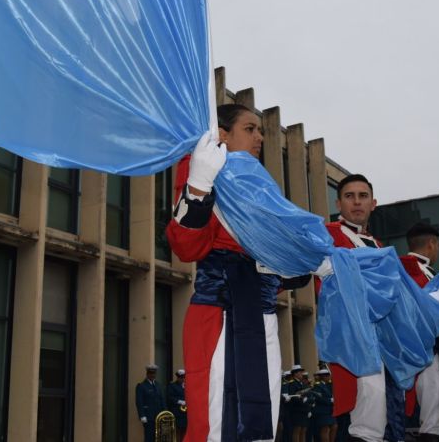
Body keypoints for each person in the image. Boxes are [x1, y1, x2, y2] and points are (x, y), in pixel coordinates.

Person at [166, 103, 310, 441]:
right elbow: (187, 247)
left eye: (260, 129)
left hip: (262, 314)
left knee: (262, 422)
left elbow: (278, 262)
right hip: (219, 309)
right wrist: (199, 186)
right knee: (215, 424)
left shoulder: (262, 184)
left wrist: (302, 262)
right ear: (223, 134)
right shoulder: (200, 169)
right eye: (250, 128)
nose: (260, 136)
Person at [323, 173, 405, 442]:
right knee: (363, 415)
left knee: (384, 414)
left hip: (384, 339)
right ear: (338, 204)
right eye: (349, 196)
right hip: (350, 336)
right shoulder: (327, 234)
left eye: (362, 196)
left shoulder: (378, 244)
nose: (356, 202)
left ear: (373, 203)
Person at [399, 222, 439, 442]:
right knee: (433, 423)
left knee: (437, 422)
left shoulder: (425, 272)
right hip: (427, 356)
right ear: (432, 244)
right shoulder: (409, 268)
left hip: (438, 354)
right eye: (438, 245)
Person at [136, 364, 166, 442]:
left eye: (154, 373)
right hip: (148, 416)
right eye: (151, 373)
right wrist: (142, 415)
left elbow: (162, 400)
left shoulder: (158, 385)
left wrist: (165, 412)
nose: (153, 375)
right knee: (149, 437)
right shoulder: (142, 386)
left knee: (158, 437)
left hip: (158, 416)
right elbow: (139, 402)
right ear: (147, 374)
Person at [287, 365, 312, 442]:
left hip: (304, 410)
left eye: (301, 372)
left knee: (303, 430)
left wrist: (308, 407)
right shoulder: (292, 384)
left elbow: (308, 394)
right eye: (300, 372)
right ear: (295, 374)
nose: (302, 374)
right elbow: (293, 396)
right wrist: (302, 400)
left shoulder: (303, 384)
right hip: (297, 410)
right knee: (297, 430)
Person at [313, 368, 338, 442]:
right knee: (325, 429)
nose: (329, 377)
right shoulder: (318, 386)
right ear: (323, 377)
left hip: (329, 410)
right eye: (327, 376)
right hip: (322, 411)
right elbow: (318, 398)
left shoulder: (328, 385)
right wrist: (329, 400)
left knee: (334, 426)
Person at [168, 369, 188, 441]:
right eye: (180, 378)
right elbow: (170, 397)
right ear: (177, 377)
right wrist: (180, 401)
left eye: (183, 377)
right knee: (178, 432)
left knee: (185, 432)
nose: (182, 379)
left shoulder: (186, 386)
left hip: (186, 413)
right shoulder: (172, 386)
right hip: (177, 412)